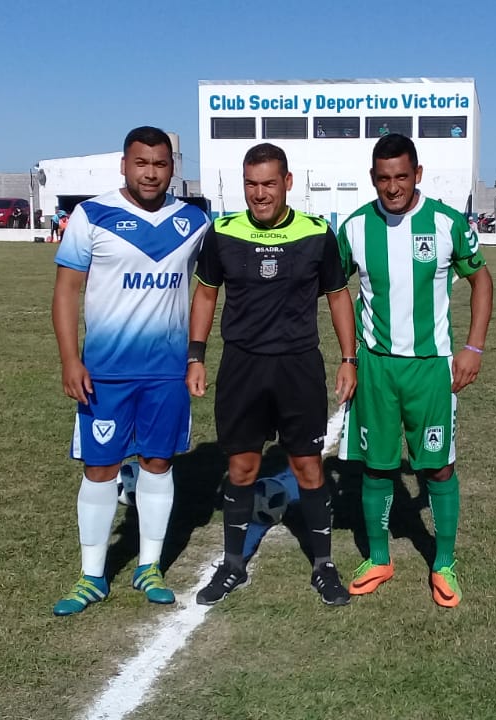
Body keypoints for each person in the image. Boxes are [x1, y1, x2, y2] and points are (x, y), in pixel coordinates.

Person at [49, 126, 211, 616]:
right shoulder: (91, 215)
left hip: (166, 373)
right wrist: (70, 359)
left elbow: (208, 288)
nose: (151, 173)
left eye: (160, 164)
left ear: (172, 168)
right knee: (99, 469)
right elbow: (66, 291)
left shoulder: (195, 221)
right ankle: (92, 575)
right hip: (105, 373)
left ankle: (149, 566)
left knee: (158, 463)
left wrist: (195, 355)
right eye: (141, 163)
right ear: (124, 165)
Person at [187, 142, 358, 606]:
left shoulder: (316, 233)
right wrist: (196, 356)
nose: (259, 194)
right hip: (242, 366)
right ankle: (232, 564)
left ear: (287, 183)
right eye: (251, 184)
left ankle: (323, 565)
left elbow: (338, 296)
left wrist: (349, 359)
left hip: (297, 366)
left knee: (307, 466)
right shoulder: (223, 232)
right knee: (241, 467)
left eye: (268, 184)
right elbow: (206, 294)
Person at [337, 133, 494, 608]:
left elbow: (481, 279)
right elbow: (334, 289)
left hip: (431, 368)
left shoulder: (446, 223)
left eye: (402, 176)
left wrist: (473, 347)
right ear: (373, 178)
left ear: (417, 174)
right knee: (377, 466)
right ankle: (379, 558)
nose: (393, 187)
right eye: (384, 178)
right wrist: (348, 357)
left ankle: (443, 563)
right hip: (376, 367)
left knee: (438, 467)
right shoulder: (355, 228)